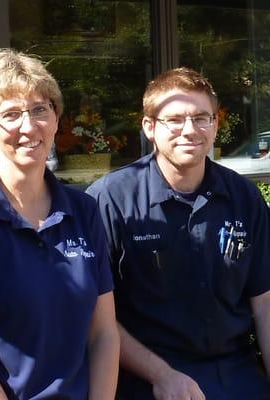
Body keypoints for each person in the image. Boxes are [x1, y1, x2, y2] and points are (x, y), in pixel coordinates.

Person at [0, 49, 119, 399]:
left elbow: (104, 334)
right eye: (11, 115)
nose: (28, 126)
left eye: (39, 110)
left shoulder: (83, 210)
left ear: (56, 118)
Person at [87, 67, 270, 400]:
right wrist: (161, 375)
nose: (190, 130)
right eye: (175, 120)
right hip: (147, 380)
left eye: (202, 118)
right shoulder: (110, 201)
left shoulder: (245, 198)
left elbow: (265, 304)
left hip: (236, 376)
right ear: (149, 127)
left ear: (216, 125)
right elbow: (96, 318)